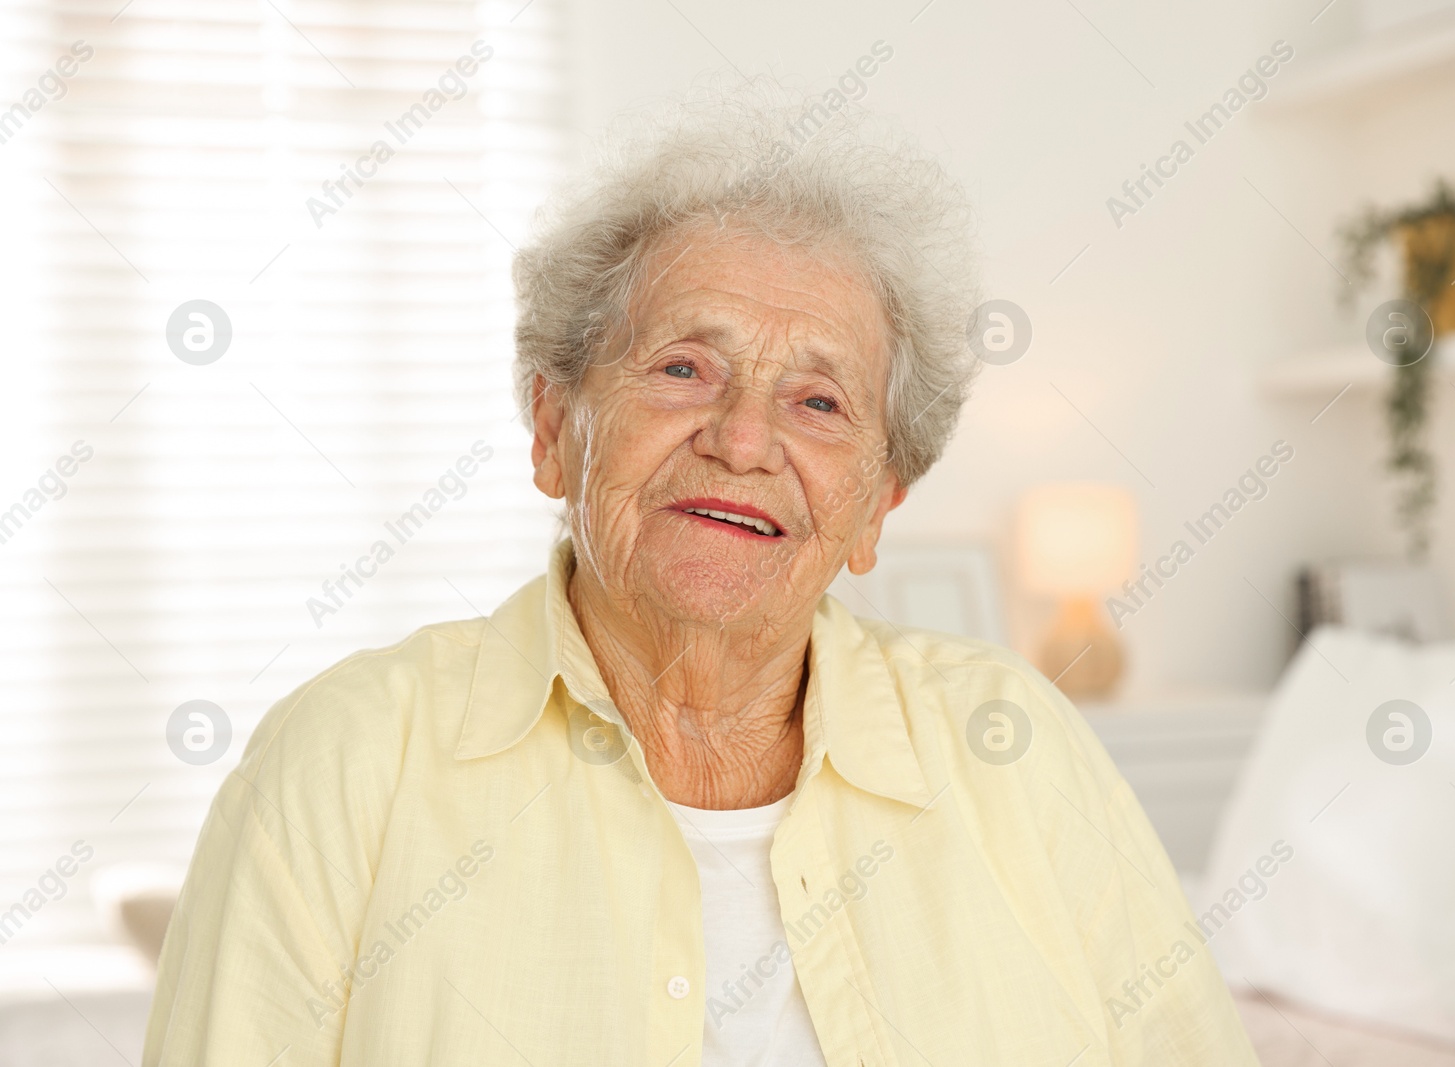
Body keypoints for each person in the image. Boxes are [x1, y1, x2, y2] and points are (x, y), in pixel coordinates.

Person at [144, 89, 1259, 1066]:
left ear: (877, 506)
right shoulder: (343, 761)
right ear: (551, 428)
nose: (741, 438)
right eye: (684, 367)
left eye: (818, 401)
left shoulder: (1016, 747)